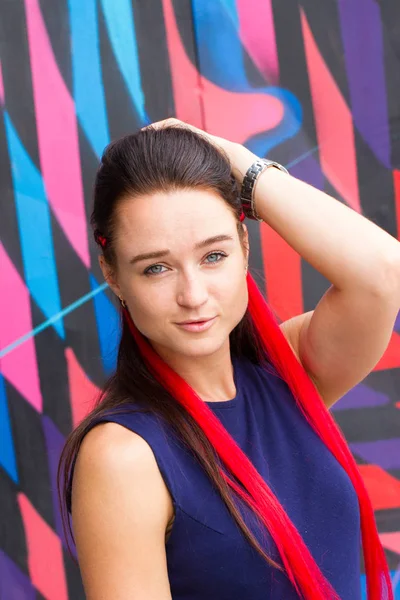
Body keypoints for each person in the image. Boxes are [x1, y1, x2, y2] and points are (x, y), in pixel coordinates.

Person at [58, 118, 400, 600]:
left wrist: (242, 165)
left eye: (213, 256)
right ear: (113, 276)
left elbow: (383, 273)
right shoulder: (125, 455)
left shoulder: (290, 372)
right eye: (156, 268)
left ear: (243, 247)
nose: (193, 295)